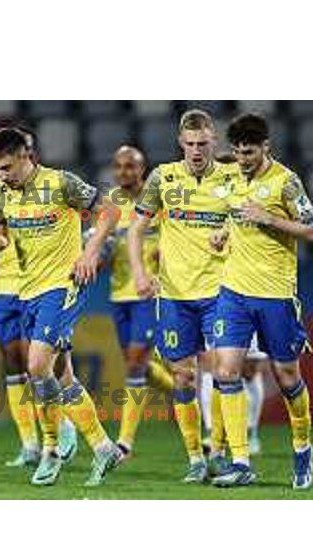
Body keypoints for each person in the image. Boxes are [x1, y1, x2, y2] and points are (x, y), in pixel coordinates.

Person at [0, 127, 122, 487]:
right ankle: (104, 448)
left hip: (62, 285)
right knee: (60, 377)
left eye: (7, 168)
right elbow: (6, 241)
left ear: (26, 156)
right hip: (27, 292)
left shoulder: (61, 183)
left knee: (36, 364)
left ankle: (51, 450)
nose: (2, 176)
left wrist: (90, 251)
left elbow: (109, 212)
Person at [0, 126, 77, 469]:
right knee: (12, 362)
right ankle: (29, 444)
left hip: (38, 285)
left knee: (39, 363)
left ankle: (62, 428)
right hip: (5, 287)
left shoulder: (48, 191)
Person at [212, 113, 313, 488]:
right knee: (225, 370)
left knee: (287, 376)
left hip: (275, 294)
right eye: (238, 152)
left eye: (250, 152)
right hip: (233, 292)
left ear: (266, 148)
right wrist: (224, 233)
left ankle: (303, 446)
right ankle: (241, 461)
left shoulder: (286, 183)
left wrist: (269, 219)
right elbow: (235, 215)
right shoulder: (230, 178)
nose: (243, 159)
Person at [127, 109, 234, 483]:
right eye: (189, 144)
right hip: (174, 295)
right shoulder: (162, 178)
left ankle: (219, 450)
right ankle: (195, 458)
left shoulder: (234, 178)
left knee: (224, 372)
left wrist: (230, 234)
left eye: (203, 144)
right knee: (184, 377)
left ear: (214, 142)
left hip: (221, 292)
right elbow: (136, 230)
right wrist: (141, 272)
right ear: (180, 144)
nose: (196, 151)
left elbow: (251, 225)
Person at [106, 145, 175, 458]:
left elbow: (179, 237)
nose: (124, 172)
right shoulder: (110, 203)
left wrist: (166, 256)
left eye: (130, 166)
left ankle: (125, 443)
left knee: (135, 362)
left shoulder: (160, 201)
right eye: (119, 166)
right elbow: (102, 240)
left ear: (142, 169)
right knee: (140, 366)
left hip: (151, 293)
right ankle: (183, 393)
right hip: (119, 294)